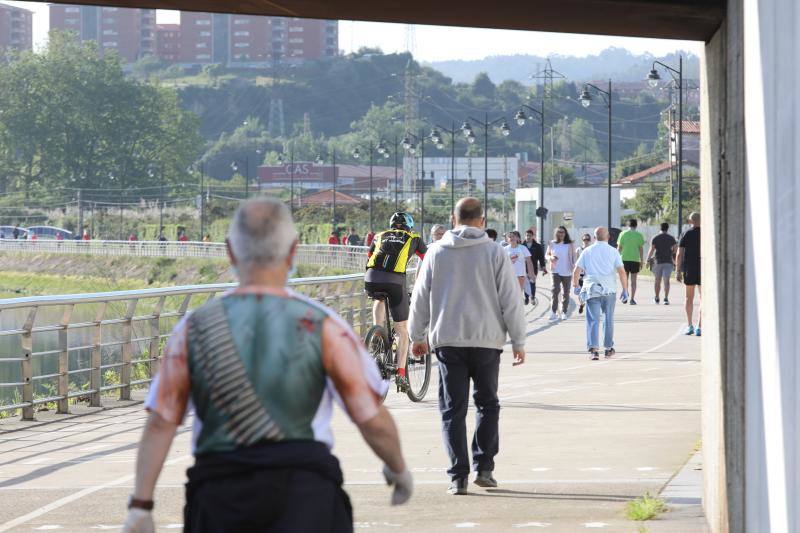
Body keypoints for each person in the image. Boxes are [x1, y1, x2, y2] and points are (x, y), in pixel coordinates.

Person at [122, 198, 412, 533]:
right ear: (293, 252)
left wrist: (141, 505)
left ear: (230, 252)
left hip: (219, 493)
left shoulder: (194, 329)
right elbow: (370, 415)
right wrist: (397, 467)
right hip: (306, 493)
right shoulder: (323, 326)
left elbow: (161, 422)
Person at [409, 197, 526, 496]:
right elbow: (510, 299)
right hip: (487, 341)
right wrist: (518, 340)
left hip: (448, 340)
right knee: (488, 403)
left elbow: (420, 297)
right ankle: (484, 468)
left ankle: (457, 477)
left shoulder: (436, 252)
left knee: (452, 409)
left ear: (453, 219)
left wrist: (416, 336)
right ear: (482, 221)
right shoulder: (494, 252)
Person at [364, 212, 427, 392]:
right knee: (402, 330)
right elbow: (429, 261)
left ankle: (377, 334)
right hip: (395, 280)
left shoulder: (379, 235)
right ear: (409, 226)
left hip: (371, 278)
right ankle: (400, 374)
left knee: (379, 297)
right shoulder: (414, 238)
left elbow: (369, 257)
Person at [571, 227, 629, 361]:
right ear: (608, 237)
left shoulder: (587, 251)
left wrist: (575, 286)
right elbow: (621, 272)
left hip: (592, 289)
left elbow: (576, 271)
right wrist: (625, 290)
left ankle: (594, 350)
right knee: (608, 319)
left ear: (594, 237)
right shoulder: (613, 251)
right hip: (609, 290)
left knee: (593, 320)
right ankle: (608, 349)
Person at [675, 212, 701, 336]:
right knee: (703, 299)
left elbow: (679, 254)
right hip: (703, 269)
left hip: (689, 269)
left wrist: (677, 271)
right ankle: (699, 327)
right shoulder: (706, 233)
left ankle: (689, 325)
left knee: (688, 298)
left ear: (691, 221)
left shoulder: (686, 233)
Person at [545, 226, 576, 321]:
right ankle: (553, 312)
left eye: (563, 232)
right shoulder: (552, 243)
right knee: (555, 291)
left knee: (566, 293)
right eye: (559, 232)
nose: (561, 234)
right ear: (556, 233)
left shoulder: (570, 244)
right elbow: (546, 255)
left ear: (565, 233)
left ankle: (564, 312)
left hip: (567, 271)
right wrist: (551, 258)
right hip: (555, 270)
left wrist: (575, 268)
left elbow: (574, 257)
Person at [646, 222, 677, 305]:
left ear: (660, 228)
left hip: (658, 262)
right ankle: (666, 299)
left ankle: (656, 298)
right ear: (668, 228)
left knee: (657, 281)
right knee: (666, 281)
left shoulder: (655, 238)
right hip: (668, 262)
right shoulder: (671, 238)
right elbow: (675, 250)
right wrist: (675, 262)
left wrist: (648, 260)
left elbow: (651, 250)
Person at [617, 219, 645, 305]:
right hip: (635, 260)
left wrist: (616, 259)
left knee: (624, 279)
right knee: (633, 280)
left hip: (624, 260)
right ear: (636, 226)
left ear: (628, 225)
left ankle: (625, 294)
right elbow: (641, 249)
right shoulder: (639, 235)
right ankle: (632, 299)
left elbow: (619, 248)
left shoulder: (622, 234)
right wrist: (641, 260)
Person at [504, 231, 535, 299]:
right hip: (509, 275)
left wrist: (531, 273)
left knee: (518, 294)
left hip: (520, 275)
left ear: (517, 238)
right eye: (510, 237)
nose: (512, 238)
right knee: (510, 294)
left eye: (513, 236)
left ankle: (517, 308)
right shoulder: (505, 249)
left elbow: (529, 261)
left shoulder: (523, 248)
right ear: (507, 239)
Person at [522, 228, 546, 306]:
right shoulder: (522, 246)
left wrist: (543, 266)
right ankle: (526, 298)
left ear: (533, 236)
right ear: (525, 236)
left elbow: (541, 257)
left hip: (533, 268)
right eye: (526, 235)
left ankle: (532, 297)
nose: (528, 237)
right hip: (523, 268)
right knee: (526, 283)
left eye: (529, 235)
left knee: (532, 283)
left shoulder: (537, 246)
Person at [576, 233, 593, 314]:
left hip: (589, 274)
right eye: (584, 239)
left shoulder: (592, 250)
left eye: (587, 239)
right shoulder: (578, 250)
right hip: (581, 273)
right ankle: (581, 304)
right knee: (581, 291)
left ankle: (588, 306)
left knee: (589, 291)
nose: (586, 241)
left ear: (590, 241)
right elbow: (575, 263)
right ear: (582, 240)